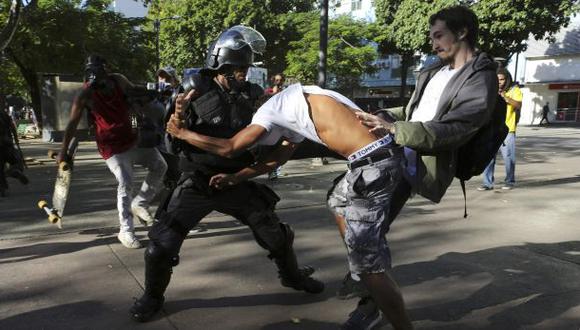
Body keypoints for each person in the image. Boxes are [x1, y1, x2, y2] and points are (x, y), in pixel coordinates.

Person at [166, 6, 498, 329]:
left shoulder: (477, 77)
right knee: (339, 200)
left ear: (462, 32)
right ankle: (365, 279)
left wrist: (180, 131)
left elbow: (230, 146)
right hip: (384, 156)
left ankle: (376, 293)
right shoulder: (432, 71)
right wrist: (389, 117)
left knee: (370, 261)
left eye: (439, 35)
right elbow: (278, 157)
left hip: (387, 162)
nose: (433, 43)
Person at [129, 26, 324, 323]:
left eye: (245, 68)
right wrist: (178, 117)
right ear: (221, 65)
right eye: (238, 68)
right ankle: (152, 297)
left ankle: (293, 276)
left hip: (236, 179)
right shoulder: (194, 87)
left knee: (276, 235)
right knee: (160, 247)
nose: (244, 73)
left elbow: (265, 136)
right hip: (197, 179)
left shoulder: (253, 94)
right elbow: (170, 139)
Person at [59, 55, 167, 249]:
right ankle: (125, 230)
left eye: (99, 72)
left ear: (106, 70)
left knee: (160, 166)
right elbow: (72, 124)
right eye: (92, 74)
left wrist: (153, 94)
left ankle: (140, 203)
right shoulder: (85, 94)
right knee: (125, 182)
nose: (97, 78)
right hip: (112, 146)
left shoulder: (118, 80)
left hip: (133, 139)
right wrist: (63, 151)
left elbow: (133, 103)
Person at [478, 67, 522, 191]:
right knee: (488, 157)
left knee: (509, 157)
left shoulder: (514, 90)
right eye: (497, 80)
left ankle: (510, 181)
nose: (499, 82)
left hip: (508, 129)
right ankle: (487, 183)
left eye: (502, 79)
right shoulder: (491, 90)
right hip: (491, 129)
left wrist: (505, 97)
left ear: (507, 79)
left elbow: (518, 105)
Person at [0, 107, 29, 197]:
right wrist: (16, 140)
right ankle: (14, 171)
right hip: (7, 143)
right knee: (16, 162)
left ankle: (3, 188)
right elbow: (12, 126)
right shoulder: (3, 114)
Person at [265, 73, 286, 180]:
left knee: (281, 148)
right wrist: (273, 93)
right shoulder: (268, 91)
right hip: (272, 123)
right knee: (271, 147)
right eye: (277, 80)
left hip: (283, 123)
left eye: (281, 80)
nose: (279, 82)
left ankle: (275, 170)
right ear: (273, 81)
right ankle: (271, 171)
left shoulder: (286, 92)